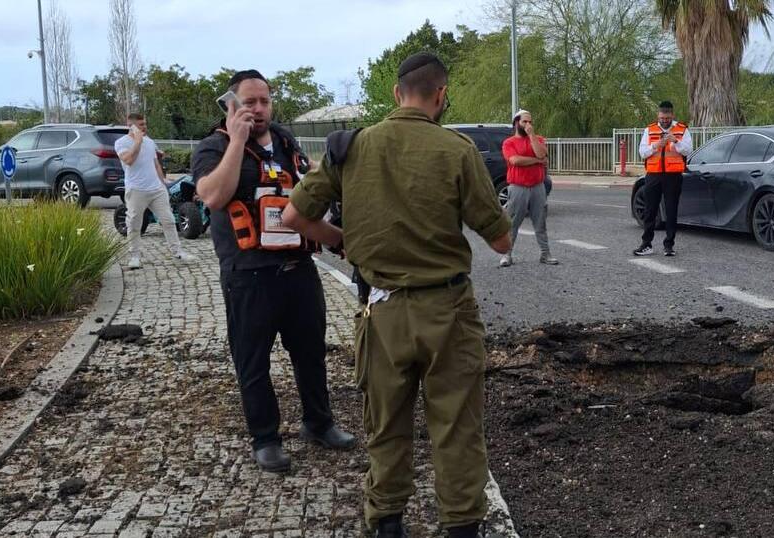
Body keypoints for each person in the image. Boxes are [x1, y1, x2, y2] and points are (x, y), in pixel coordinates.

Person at [282, 52, 512, 538]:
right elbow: (501, 239)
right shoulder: (457, 150)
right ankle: (461, 528)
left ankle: (387, 524)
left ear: (395, 93)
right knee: (457, 429)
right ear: (441, 95)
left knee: (385, 427)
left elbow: (293, 218)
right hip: (448, 313)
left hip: (381, 312)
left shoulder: (352, 147)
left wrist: (342, 240)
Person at [191, 69, 354, 473]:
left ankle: (319, 423)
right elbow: (212, 196)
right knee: (253, 362)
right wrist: (238, 140)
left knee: (311, 354)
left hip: (299, 269)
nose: (259, 109)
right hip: (249, 275)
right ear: (232, 105)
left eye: (264, 101)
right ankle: (265, 438)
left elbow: (309, 184)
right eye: (249, 103)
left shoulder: (285, 141)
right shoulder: (213, 146)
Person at [115, 113, 196, 269]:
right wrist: (137, 141)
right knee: (134, 223)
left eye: (145, 124)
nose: (144, 127)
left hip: (156, 189)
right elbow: (129, 160)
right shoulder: (121, 143)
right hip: (136, 190)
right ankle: (135, 257)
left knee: (169, 220)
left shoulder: (150, 142)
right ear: (130, 126)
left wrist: (163, 182)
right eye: (140, 125)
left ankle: (178, 252)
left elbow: (155, 164)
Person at [499, 110, 559, 267]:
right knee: (512, 223)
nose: (528, 125)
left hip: (538, 187)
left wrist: (532, 136)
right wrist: (538, 161)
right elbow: (515, 160)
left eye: (530, 122)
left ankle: (545, 255)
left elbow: (541, 154)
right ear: (516, 123)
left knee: (540, 222)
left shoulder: (538, 139)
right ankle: (507, 255)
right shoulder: (509, 142)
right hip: (517, 187)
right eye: (525, 122)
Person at [634, 100, 693, 257]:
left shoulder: (682, 129)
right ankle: (646, 244)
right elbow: (642, 152)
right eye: (662, 118)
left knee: (671, 210)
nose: (664, 121)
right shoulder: (650, 130)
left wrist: (676, 141)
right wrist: (656, 145)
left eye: (667, 118)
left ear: (672, 115)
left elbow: (688, 151)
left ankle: (669, 245)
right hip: (653, 175)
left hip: (673, 176)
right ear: (658, 115)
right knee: (650, 210)